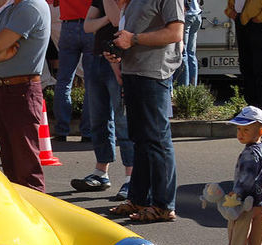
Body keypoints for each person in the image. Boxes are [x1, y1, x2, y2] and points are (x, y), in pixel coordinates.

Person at [106, 0, 183, 223]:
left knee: (157, 140)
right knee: (141, 140)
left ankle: (163, 205)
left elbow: (175, 32)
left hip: (153, 73)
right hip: (134, 71)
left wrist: (134, 39)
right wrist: (119, 48)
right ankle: (138, 198)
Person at [0, 0, 50, 192]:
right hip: (5, 89)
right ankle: (20, 215)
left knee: (27, 167)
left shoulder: (31, 5)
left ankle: (36, 215)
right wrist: (0, 56)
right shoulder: (11, 10)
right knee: (10, 164)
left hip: (22, 91)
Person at [70, 0, 132, 198]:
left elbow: (116, 20)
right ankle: (101, 172)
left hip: (117, 59)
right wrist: (103, 19)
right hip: (98, 58)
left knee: (123, 122)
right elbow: (88, 26)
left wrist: (103, 19)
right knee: (99, 119)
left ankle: (131, 178)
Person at [219, 106, 262, 245]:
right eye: (239, 129)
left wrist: (237, 192)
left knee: (237, 235)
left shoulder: (249, 153)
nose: (241, 133)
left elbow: (246, 177)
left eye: (246, 129)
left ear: (261, 131)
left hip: (245, 203)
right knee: (258, 236)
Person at [51, 0, 93, 142]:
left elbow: (55, 3)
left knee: (63, 81)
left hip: (68, 25)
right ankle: (87, 132)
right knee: (91, 83)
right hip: (90, 25)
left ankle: (61, 130)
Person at [225, 0, 262, 113]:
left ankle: (261, 109)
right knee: (246, 65)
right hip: (241, 19)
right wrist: (231, 11)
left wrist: (261, 16)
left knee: (261, 66)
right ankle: (251, 107)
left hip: (258, 22)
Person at [176, 0, 201, 87]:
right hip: (197, 14)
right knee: (191, 53)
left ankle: (184, 88)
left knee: (183, 53)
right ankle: (192, 87)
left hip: (186, 15)